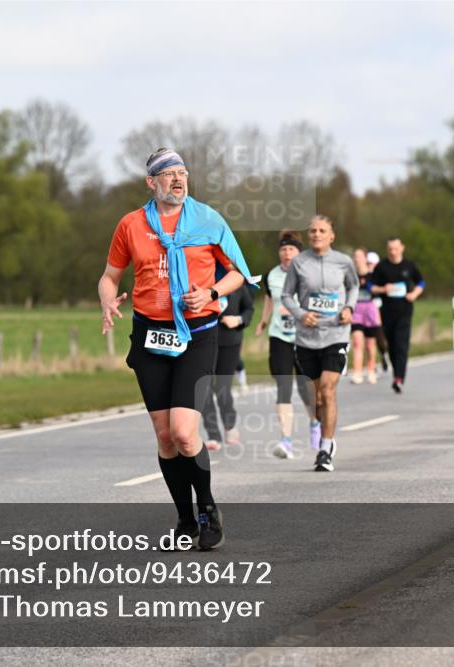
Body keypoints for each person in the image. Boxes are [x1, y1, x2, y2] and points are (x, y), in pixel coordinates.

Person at [99, 149, 255, 551]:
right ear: (152, 183)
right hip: (150, 336)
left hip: (197, 335)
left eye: (183, 172)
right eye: (168, 174)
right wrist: (107, 299)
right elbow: (110, 275)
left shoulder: (208, 220)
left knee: (185, 434)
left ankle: (207, 509)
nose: (178, 180)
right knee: (165, 437)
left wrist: (211, 292)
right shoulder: (131, 225)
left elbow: (240, 273)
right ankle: (185, 521)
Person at [281, 215, 359, 472]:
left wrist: (348, 307)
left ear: (331, 235)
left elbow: (353, 287)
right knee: (316, 398)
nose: (316, 234)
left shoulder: (343, 262)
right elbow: (286, 295)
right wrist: (302, 314)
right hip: (307, 337)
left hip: (336, 334)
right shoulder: (299, 263)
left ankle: (325, 448)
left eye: (321, 230)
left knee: (327, 390)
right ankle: (323, 432)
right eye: (312, 230)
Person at [255, 230, 318, 459]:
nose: (287, 253)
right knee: (283, 388)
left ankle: (315, 424)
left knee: (307, 389)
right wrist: (263, 321)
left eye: (291, 249)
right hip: (279, 337)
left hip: (304, 339)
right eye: (283, 249)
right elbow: (270, 300)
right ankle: (287, 441)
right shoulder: (271, 275)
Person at [201, 282, 254, 450]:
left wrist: (238, 319)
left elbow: (249, 309)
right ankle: (213, 434)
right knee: (204, 388)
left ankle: (230, 425)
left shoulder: (236, 284)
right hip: (204, 343)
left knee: (222, 387)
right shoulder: (202, 281)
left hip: (230, 342)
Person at [370, 236, 425, 394]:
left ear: (402, 248)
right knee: (392, 346)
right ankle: (396, 373)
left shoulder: (409, 266)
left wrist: (414, 293)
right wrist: (383, 289)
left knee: (402, 345)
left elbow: (421, 282)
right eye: (390, 249)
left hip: (405, 311)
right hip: (387, 312)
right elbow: (371, 286)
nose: (393, 252)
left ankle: (399, 378)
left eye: (396, 248)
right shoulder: (381, 267)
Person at [349, 247, 381, 385]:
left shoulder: (373, 275)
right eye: (355, 256)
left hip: (370, 310)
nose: (357, 258)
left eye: (359, 256)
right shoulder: (351, 275)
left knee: (370, 344)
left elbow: (379, 291)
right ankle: (357, 373)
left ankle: (371, 370)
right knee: (357, 342)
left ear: (365, 258)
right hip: (356, 311)